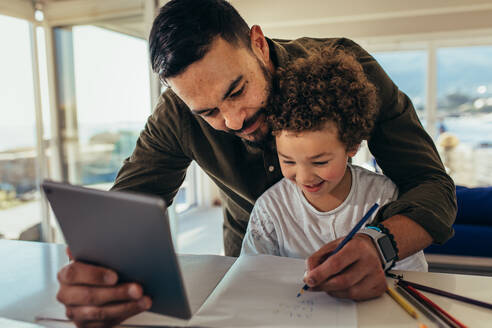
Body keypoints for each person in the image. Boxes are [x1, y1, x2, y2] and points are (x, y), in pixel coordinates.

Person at [55, 0, 456, 327]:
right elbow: (125, 214)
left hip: (369, 280)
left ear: (258, 44)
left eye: (236, 90)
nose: (232, 121)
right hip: (249, 271)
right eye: (207, 111)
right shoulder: (176, 115)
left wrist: (381, 243)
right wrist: (102, 278)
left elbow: (431, 184)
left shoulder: (347, 69)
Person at [241, 47, 428, 277]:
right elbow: (250, 277)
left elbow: (412, 274)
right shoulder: (270, 210)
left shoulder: (383, 197)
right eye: (288, 161)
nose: (304, 177)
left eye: (319, 162)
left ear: (352, 146)